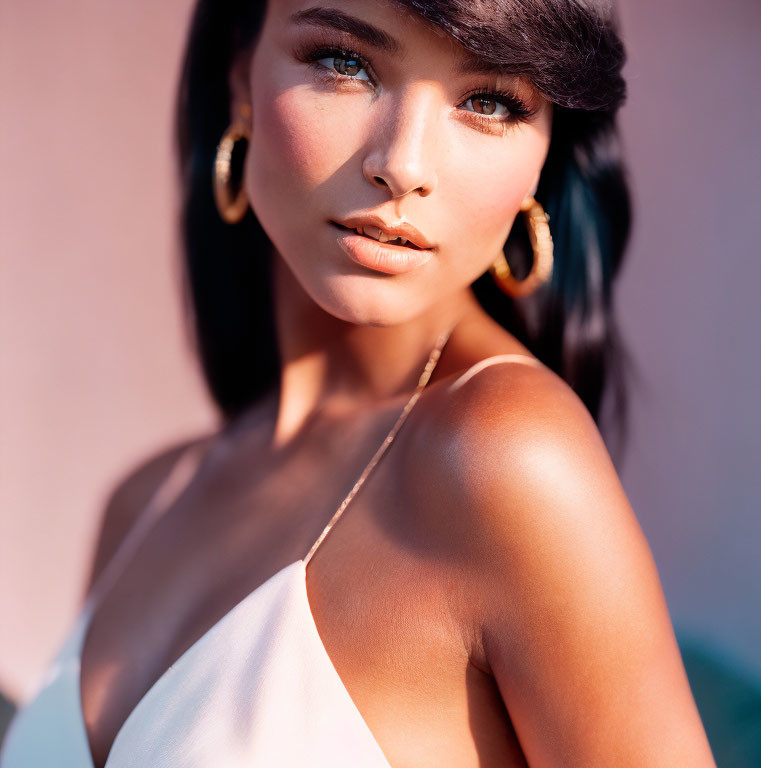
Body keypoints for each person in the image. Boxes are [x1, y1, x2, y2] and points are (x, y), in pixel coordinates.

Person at [1, 0, 717, 765]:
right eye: (347, 62)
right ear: (241, 75)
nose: (402, 164)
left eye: (490, 101)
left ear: (544, 154)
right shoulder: (145, 503)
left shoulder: (508, 457)